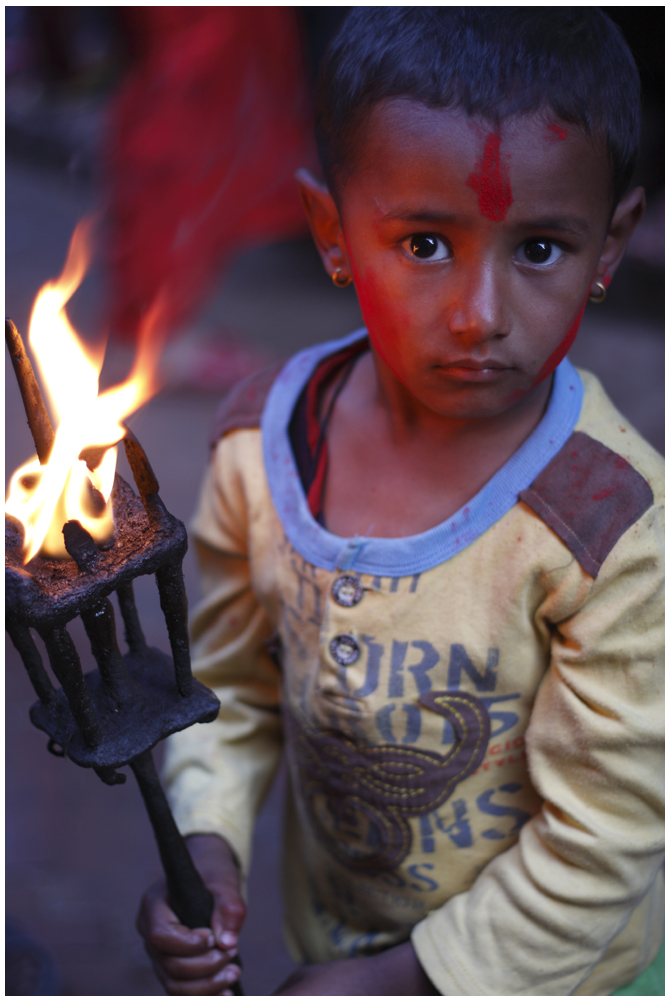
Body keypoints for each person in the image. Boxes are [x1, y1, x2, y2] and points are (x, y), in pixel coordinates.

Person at [137, 9, 664, 996]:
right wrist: (206, 840)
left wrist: (398, 982)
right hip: (334, 946)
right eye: (425, 242)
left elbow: (606, 841)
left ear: (612, 244)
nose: (481, 315)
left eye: (540, 248)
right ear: (333, 233)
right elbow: (226, 688)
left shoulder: (609, 526)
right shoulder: (262, 446)